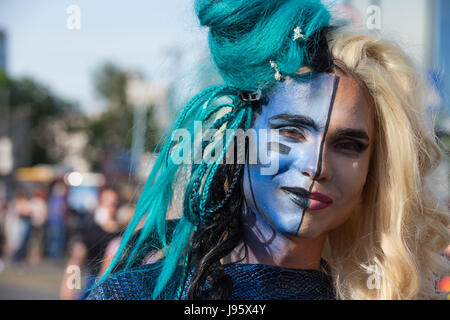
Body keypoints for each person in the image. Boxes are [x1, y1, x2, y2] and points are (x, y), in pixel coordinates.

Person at [88, 0, 449, 300]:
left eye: (348, 145)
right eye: (291, 132)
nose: (317, 166)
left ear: (373, 171)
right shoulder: (136, 294)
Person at [60, 188, 121, 300]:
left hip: (118, 286)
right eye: (107, 202)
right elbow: (77, 261)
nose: (111, 207)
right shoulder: (92, 231)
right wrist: (70, 288)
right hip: (94, 284)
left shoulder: (122, 232)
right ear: (100, 203)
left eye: (114, 203)